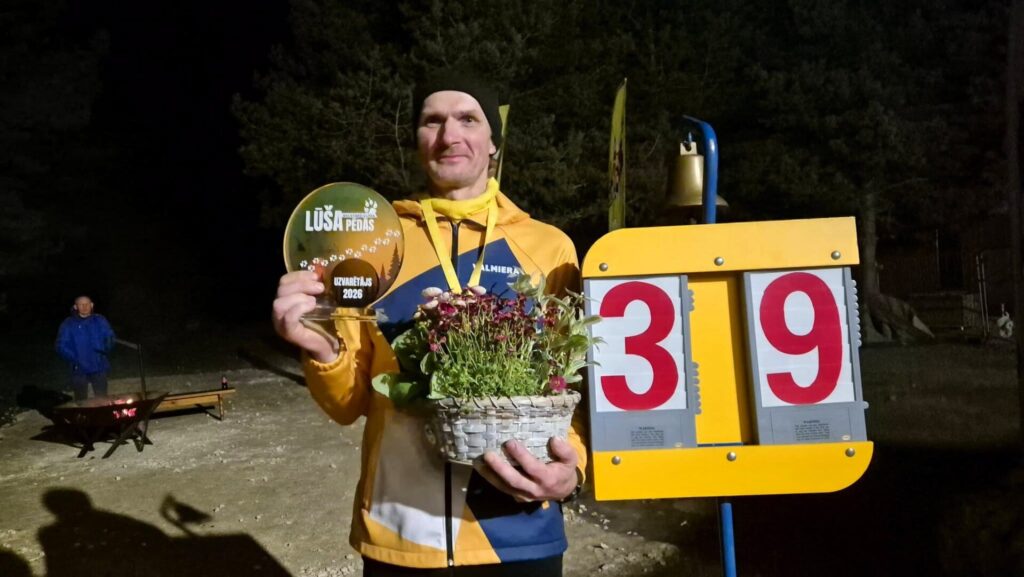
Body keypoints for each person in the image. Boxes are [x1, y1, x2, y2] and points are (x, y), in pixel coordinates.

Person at [272, 70, 586, 576]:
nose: (449, 135)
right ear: (417, 140)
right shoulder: (374, 247)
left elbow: (568, 386)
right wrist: (318, 348)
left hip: (518, 531)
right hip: (403, 535)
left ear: (493, 142)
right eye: (432, 121)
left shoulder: (549, 247)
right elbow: (348, 403)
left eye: (468, 118)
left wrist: (574, 470)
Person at [56, 295, 115, 400]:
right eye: (81, 304)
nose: (84, 306)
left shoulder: (100, 320)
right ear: (75, 307)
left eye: (87, 303)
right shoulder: (68, 323)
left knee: (102, 397)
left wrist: (103, 352)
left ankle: (101, 415)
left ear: (92, 305)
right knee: (81, 399)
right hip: (79, 368)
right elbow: (61, 345)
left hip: (99, 366)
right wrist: (76, 358)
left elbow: (110, 337)